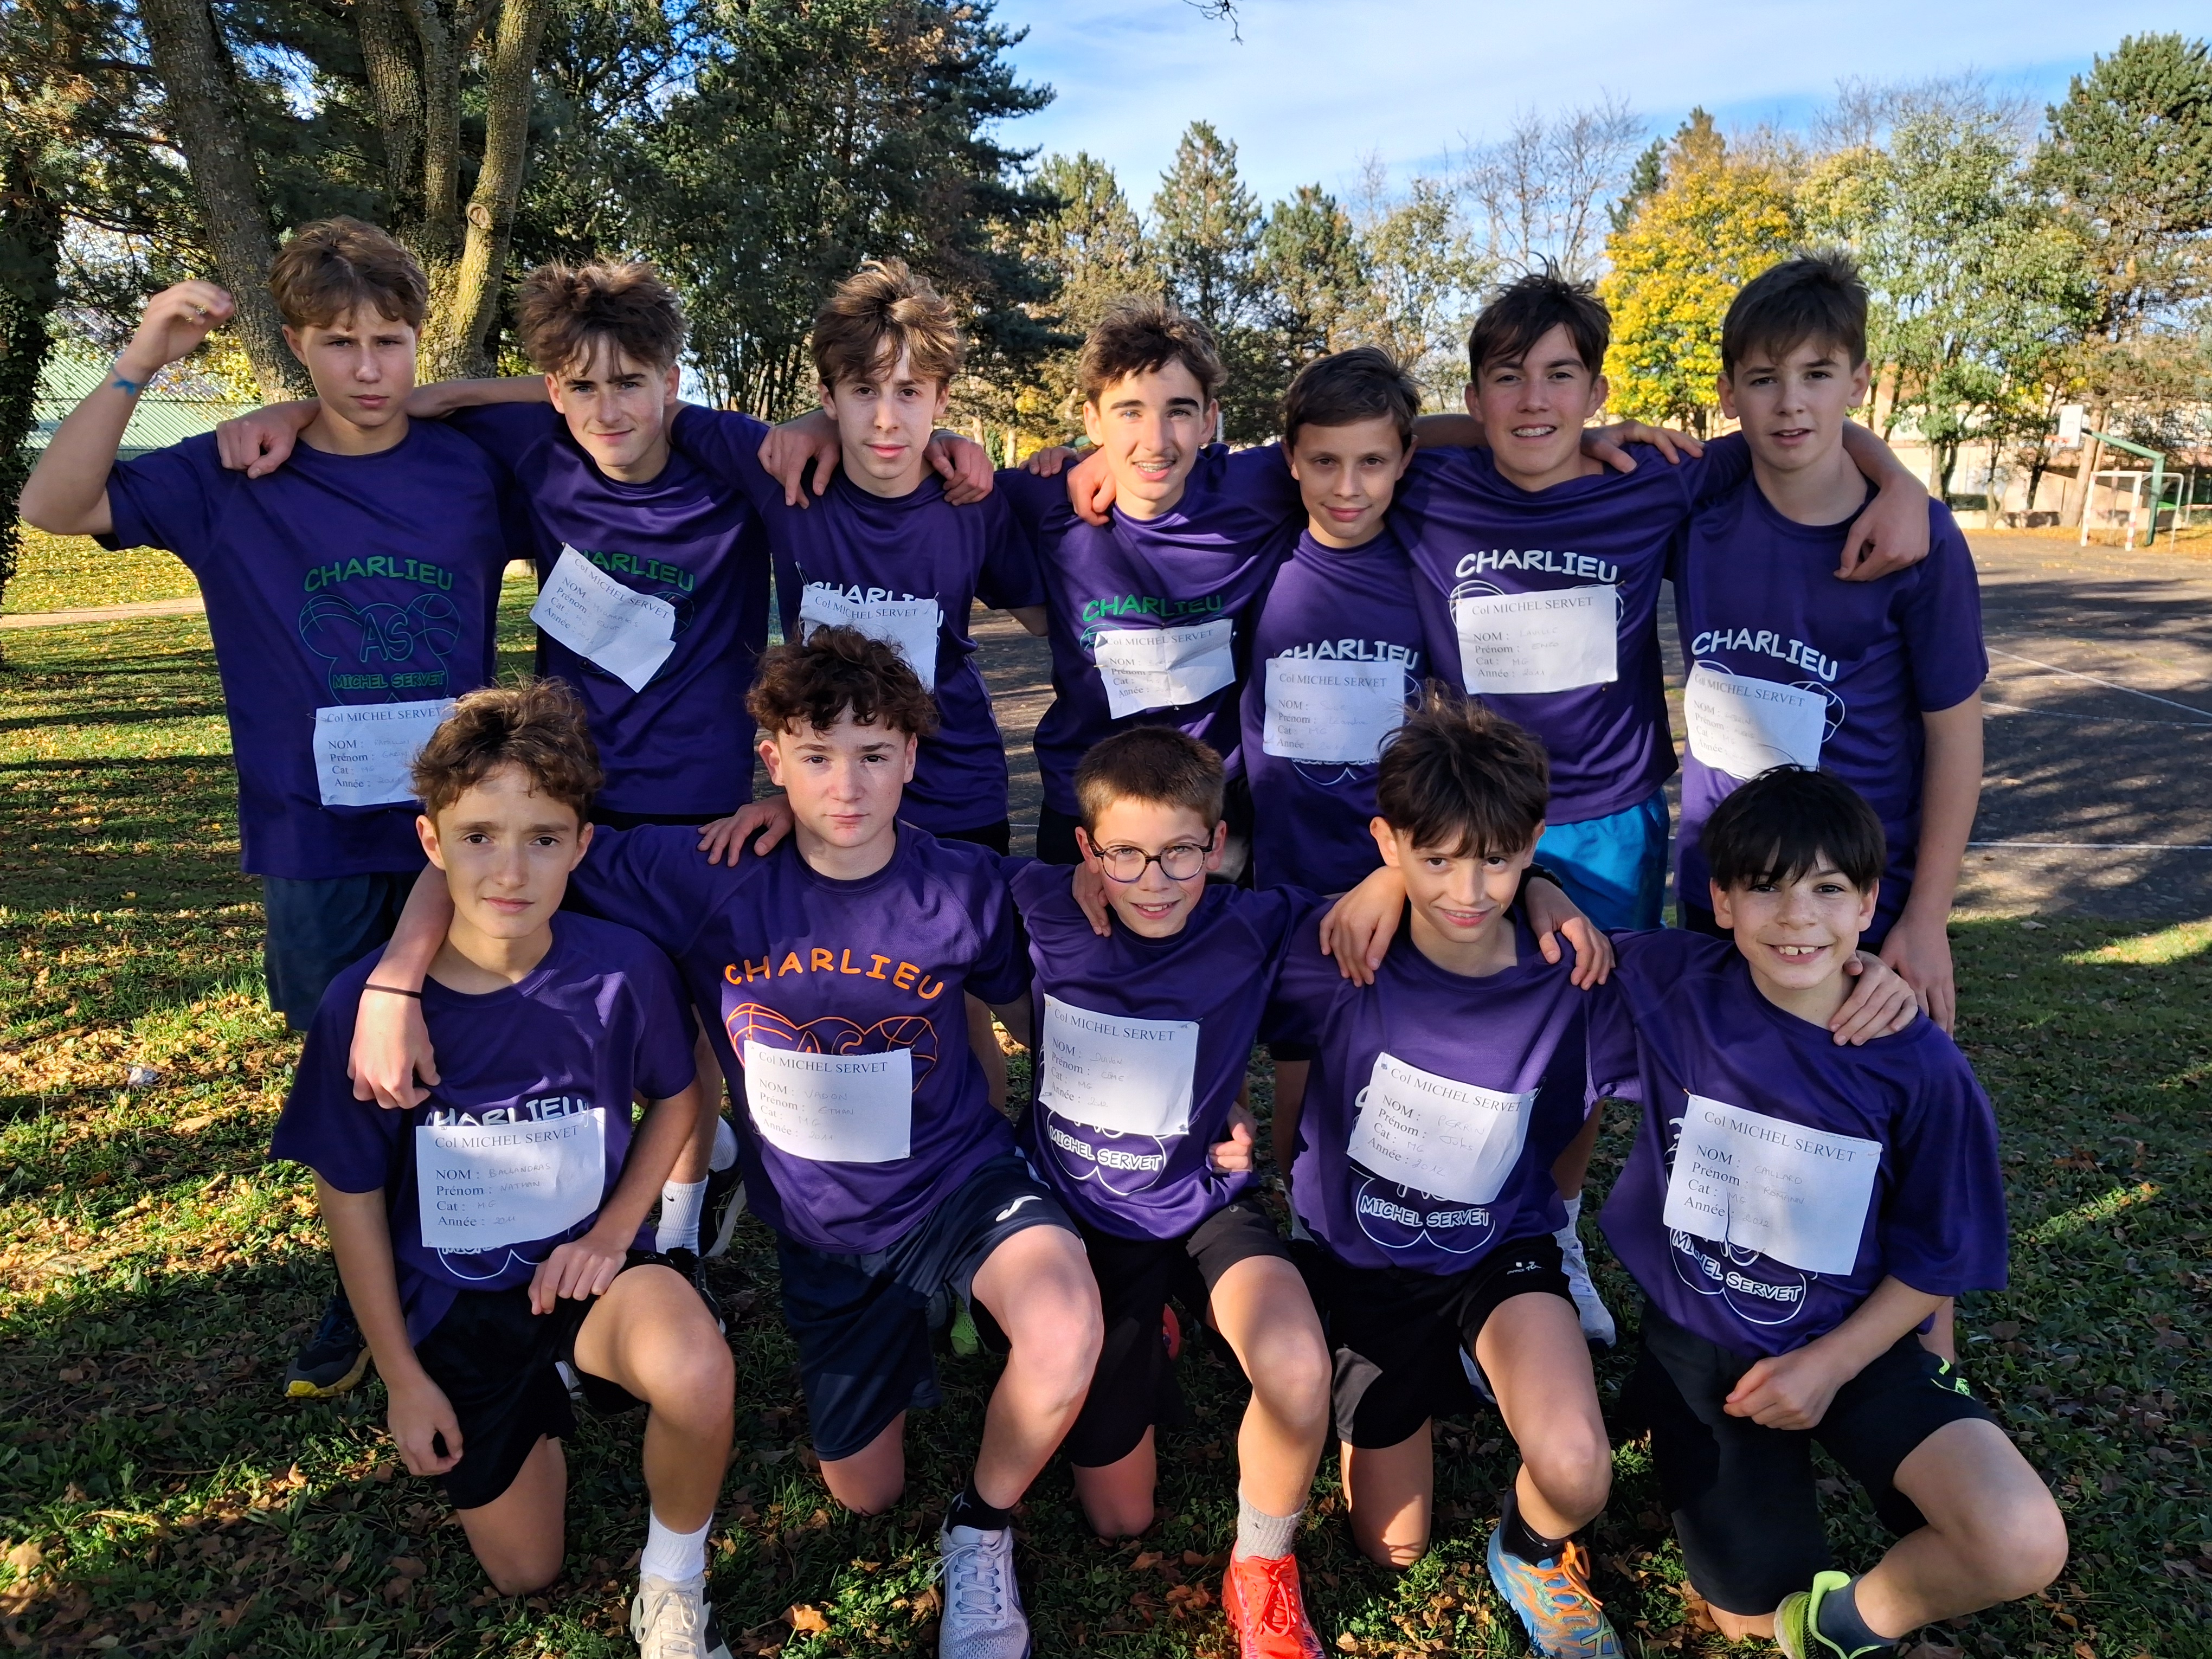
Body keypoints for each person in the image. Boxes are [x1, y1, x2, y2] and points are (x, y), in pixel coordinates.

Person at [348, 629, 1103, 1659]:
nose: (848, 785)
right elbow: (503, 847)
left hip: (958, 1186)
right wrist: (394, 980)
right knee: (863, 1490)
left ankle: (981, 1526)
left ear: (913, 760)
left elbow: (1065, 1001)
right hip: (828, 1233)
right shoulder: (703, 870)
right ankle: (917, 1328)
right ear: (772, 759)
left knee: (1064, 1325)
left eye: (875, 755)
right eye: (817, 756)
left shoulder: (965, 885)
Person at [18, 216, 525, 1399]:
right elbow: (51, 505)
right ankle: (362, 1289)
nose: (368, 369)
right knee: (346, 1066)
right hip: (312, 837)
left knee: (470, 1050)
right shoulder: (231, 475)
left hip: (456, 837)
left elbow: (577, 400)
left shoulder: (468, 468)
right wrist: (142, 359)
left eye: (391, 342)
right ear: (294, 344)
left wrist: (443, 396)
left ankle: (464, 1262)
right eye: (338, 345)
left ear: (419, 338)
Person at [215, 257, 774, 1268]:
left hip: (697, 805)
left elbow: (827, 450)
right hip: (567, 795)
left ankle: (684, 1226)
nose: (608, 409)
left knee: (684, 1024)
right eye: (582, 386)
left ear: (672, 382)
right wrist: (299, 410)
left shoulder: (726, 460)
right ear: (553, 390)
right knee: (575, 1011)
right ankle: (577, 1191)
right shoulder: (538, 453)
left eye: (632, 383)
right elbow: (412, 404)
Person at [268, 681, 738, 1659]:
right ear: (431, 843)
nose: (511, 870)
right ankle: (534, 1401)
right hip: (457, 1305)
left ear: (583, 845)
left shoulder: (624, 969)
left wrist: (613, 1232)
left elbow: (678, 1097)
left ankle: (672, 1583)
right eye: (479, 837)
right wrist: (402, 1377)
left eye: (543, 838)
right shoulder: (366, 1007)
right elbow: (350, 1194)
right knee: (526, 1570)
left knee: (697, 1370)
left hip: (588, 1275)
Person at [1589, 766, 2066, 1655]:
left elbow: (1938, 1256)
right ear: (1721, 901)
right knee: (1745, 1619)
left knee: (2019, 1539)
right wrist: (1540, 896)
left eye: (1828, 890)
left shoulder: (1917, 1065)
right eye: (1765, 887)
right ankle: (1666, 1397)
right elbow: (1531, 939)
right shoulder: (1673, 982)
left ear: (1869, 903)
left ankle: (1839, 1628)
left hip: (1858, 1343)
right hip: (1707, 1343)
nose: (1796, 917)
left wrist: (1827, 1366)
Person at [1264, 693, 1626, 1659]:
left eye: (1496, 861)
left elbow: (1745, 987)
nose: (1467, 891)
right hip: (1363, 1266)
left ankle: (1530, 1550)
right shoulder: (1333, 948)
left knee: (1579, 1470)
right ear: (1387, 843)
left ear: (1533, 845)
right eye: (1435, 861)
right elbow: (1174, 930)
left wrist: (1870, 977)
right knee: (1393, 1549)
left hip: (1497, 1254)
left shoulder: (1573, 970)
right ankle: (1432, 1374)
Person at [1012, 726, 1335, 1657]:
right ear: (1086, 847)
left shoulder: (1255, 924)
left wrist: (1540, 886)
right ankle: (1146, 1326)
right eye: (1125, 853)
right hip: (1085, 1214)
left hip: (1205, 1200)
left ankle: (1262, 1567)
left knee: (1298, 1365)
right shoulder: (1040, 902)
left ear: (1218, 842)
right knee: (1120, 1518)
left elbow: (1395, 901)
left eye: (1181, 853)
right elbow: (890, 867)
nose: (1153, 880)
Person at [1672, 252, 1985, 1032]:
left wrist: (1927, 917)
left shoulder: (1920, 541)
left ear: (1859, 382)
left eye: (1818, 374)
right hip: (1723, 884)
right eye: (1764, 379)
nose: (1791, 403)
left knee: (1843, 1096)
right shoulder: (1696, 507)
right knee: (1720, 1092)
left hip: (1850, 896)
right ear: (1729, 393)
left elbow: (1955, 738)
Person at [669, 260, 1043, 856]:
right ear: (828, 395)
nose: (886, 419)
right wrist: (482, 391)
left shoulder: (972, 500)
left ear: (942, 399)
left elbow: (1046, 617)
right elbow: (644, 404)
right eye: (863, 390)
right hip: (830, 794)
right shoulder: (783, 473)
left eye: (909, 392)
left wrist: (1078, 465)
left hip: (955, 793)